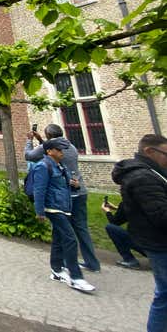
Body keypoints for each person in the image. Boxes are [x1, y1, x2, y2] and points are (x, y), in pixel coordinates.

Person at [111, 134, 167, 331]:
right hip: (159, 242)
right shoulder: (143, 177)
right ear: (149, 151)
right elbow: (160, 215)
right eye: (166, 154)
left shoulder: (151, 173)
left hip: (153, 239)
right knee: (164, 294)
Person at [26, 124, 100, 271]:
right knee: (81, 228)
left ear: (48, 137)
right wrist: (41, 140)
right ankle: (92, 263)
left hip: (63, 195)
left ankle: (65, 264)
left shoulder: (51, 147)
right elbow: (49, 150)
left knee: (62, 231)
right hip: (80, 191)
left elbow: (29, 156)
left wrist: (29, 141)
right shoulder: (70, 146)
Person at [33, 139, 95, 293]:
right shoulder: (43, 166)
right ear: (49, 151)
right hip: (53, 208)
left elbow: (64, 185)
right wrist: (39, 211)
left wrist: (75, 185)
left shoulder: (61, 166)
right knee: (70, 239)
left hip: (64, 206)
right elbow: (39, 190)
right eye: (59, 150)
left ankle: (56, 269)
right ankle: (76, 277)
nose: (62, 153)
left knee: (59, 238)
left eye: (62, 150)